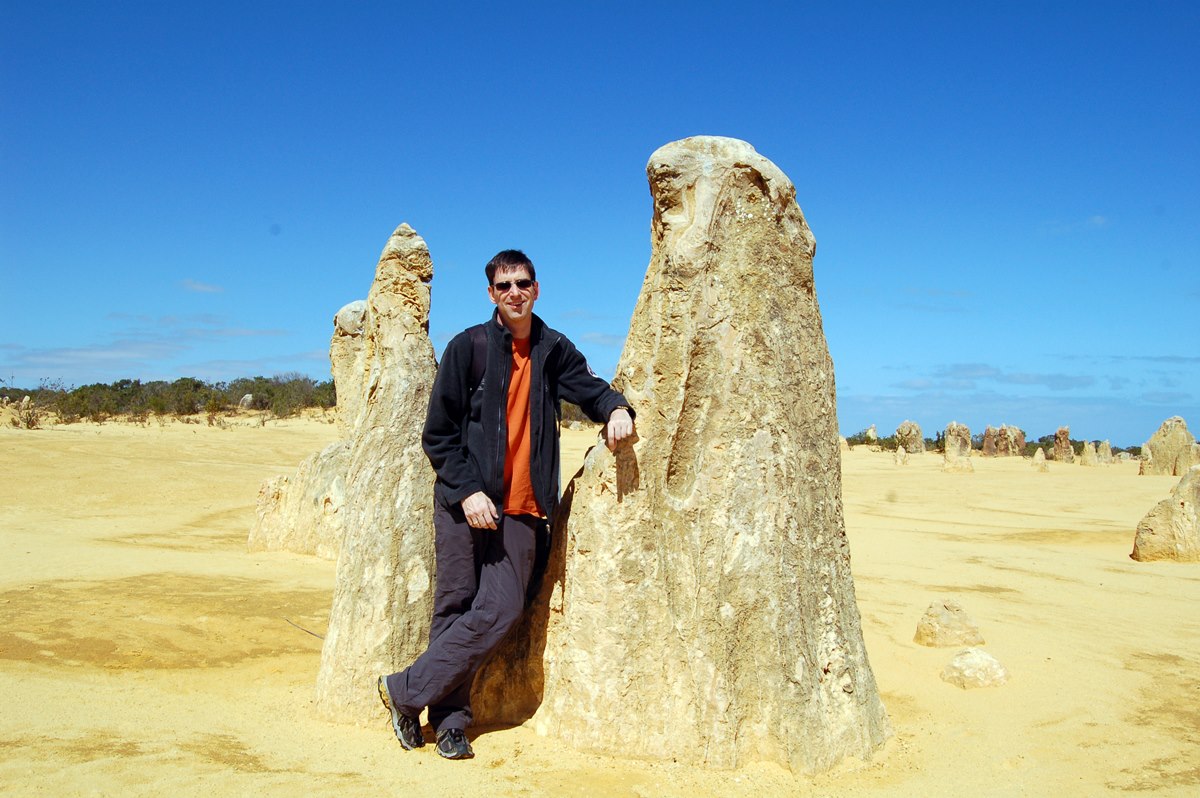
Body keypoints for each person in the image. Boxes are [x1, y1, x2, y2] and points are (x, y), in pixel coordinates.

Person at [378, 248, 635, 759]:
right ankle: (450, 722)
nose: (514, 293)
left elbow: (588, 388)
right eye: (504, 286)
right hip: (463, 503)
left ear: (536, 290)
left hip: (521, 509)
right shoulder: (468, 347)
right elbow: (439, 434)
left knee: (500, 608)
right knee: (453, 606)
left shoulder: (551, 349)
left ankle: (403, 692)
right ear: (491, 294)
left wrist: (615, 408)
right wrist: (469, 490)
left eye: (522, 284)